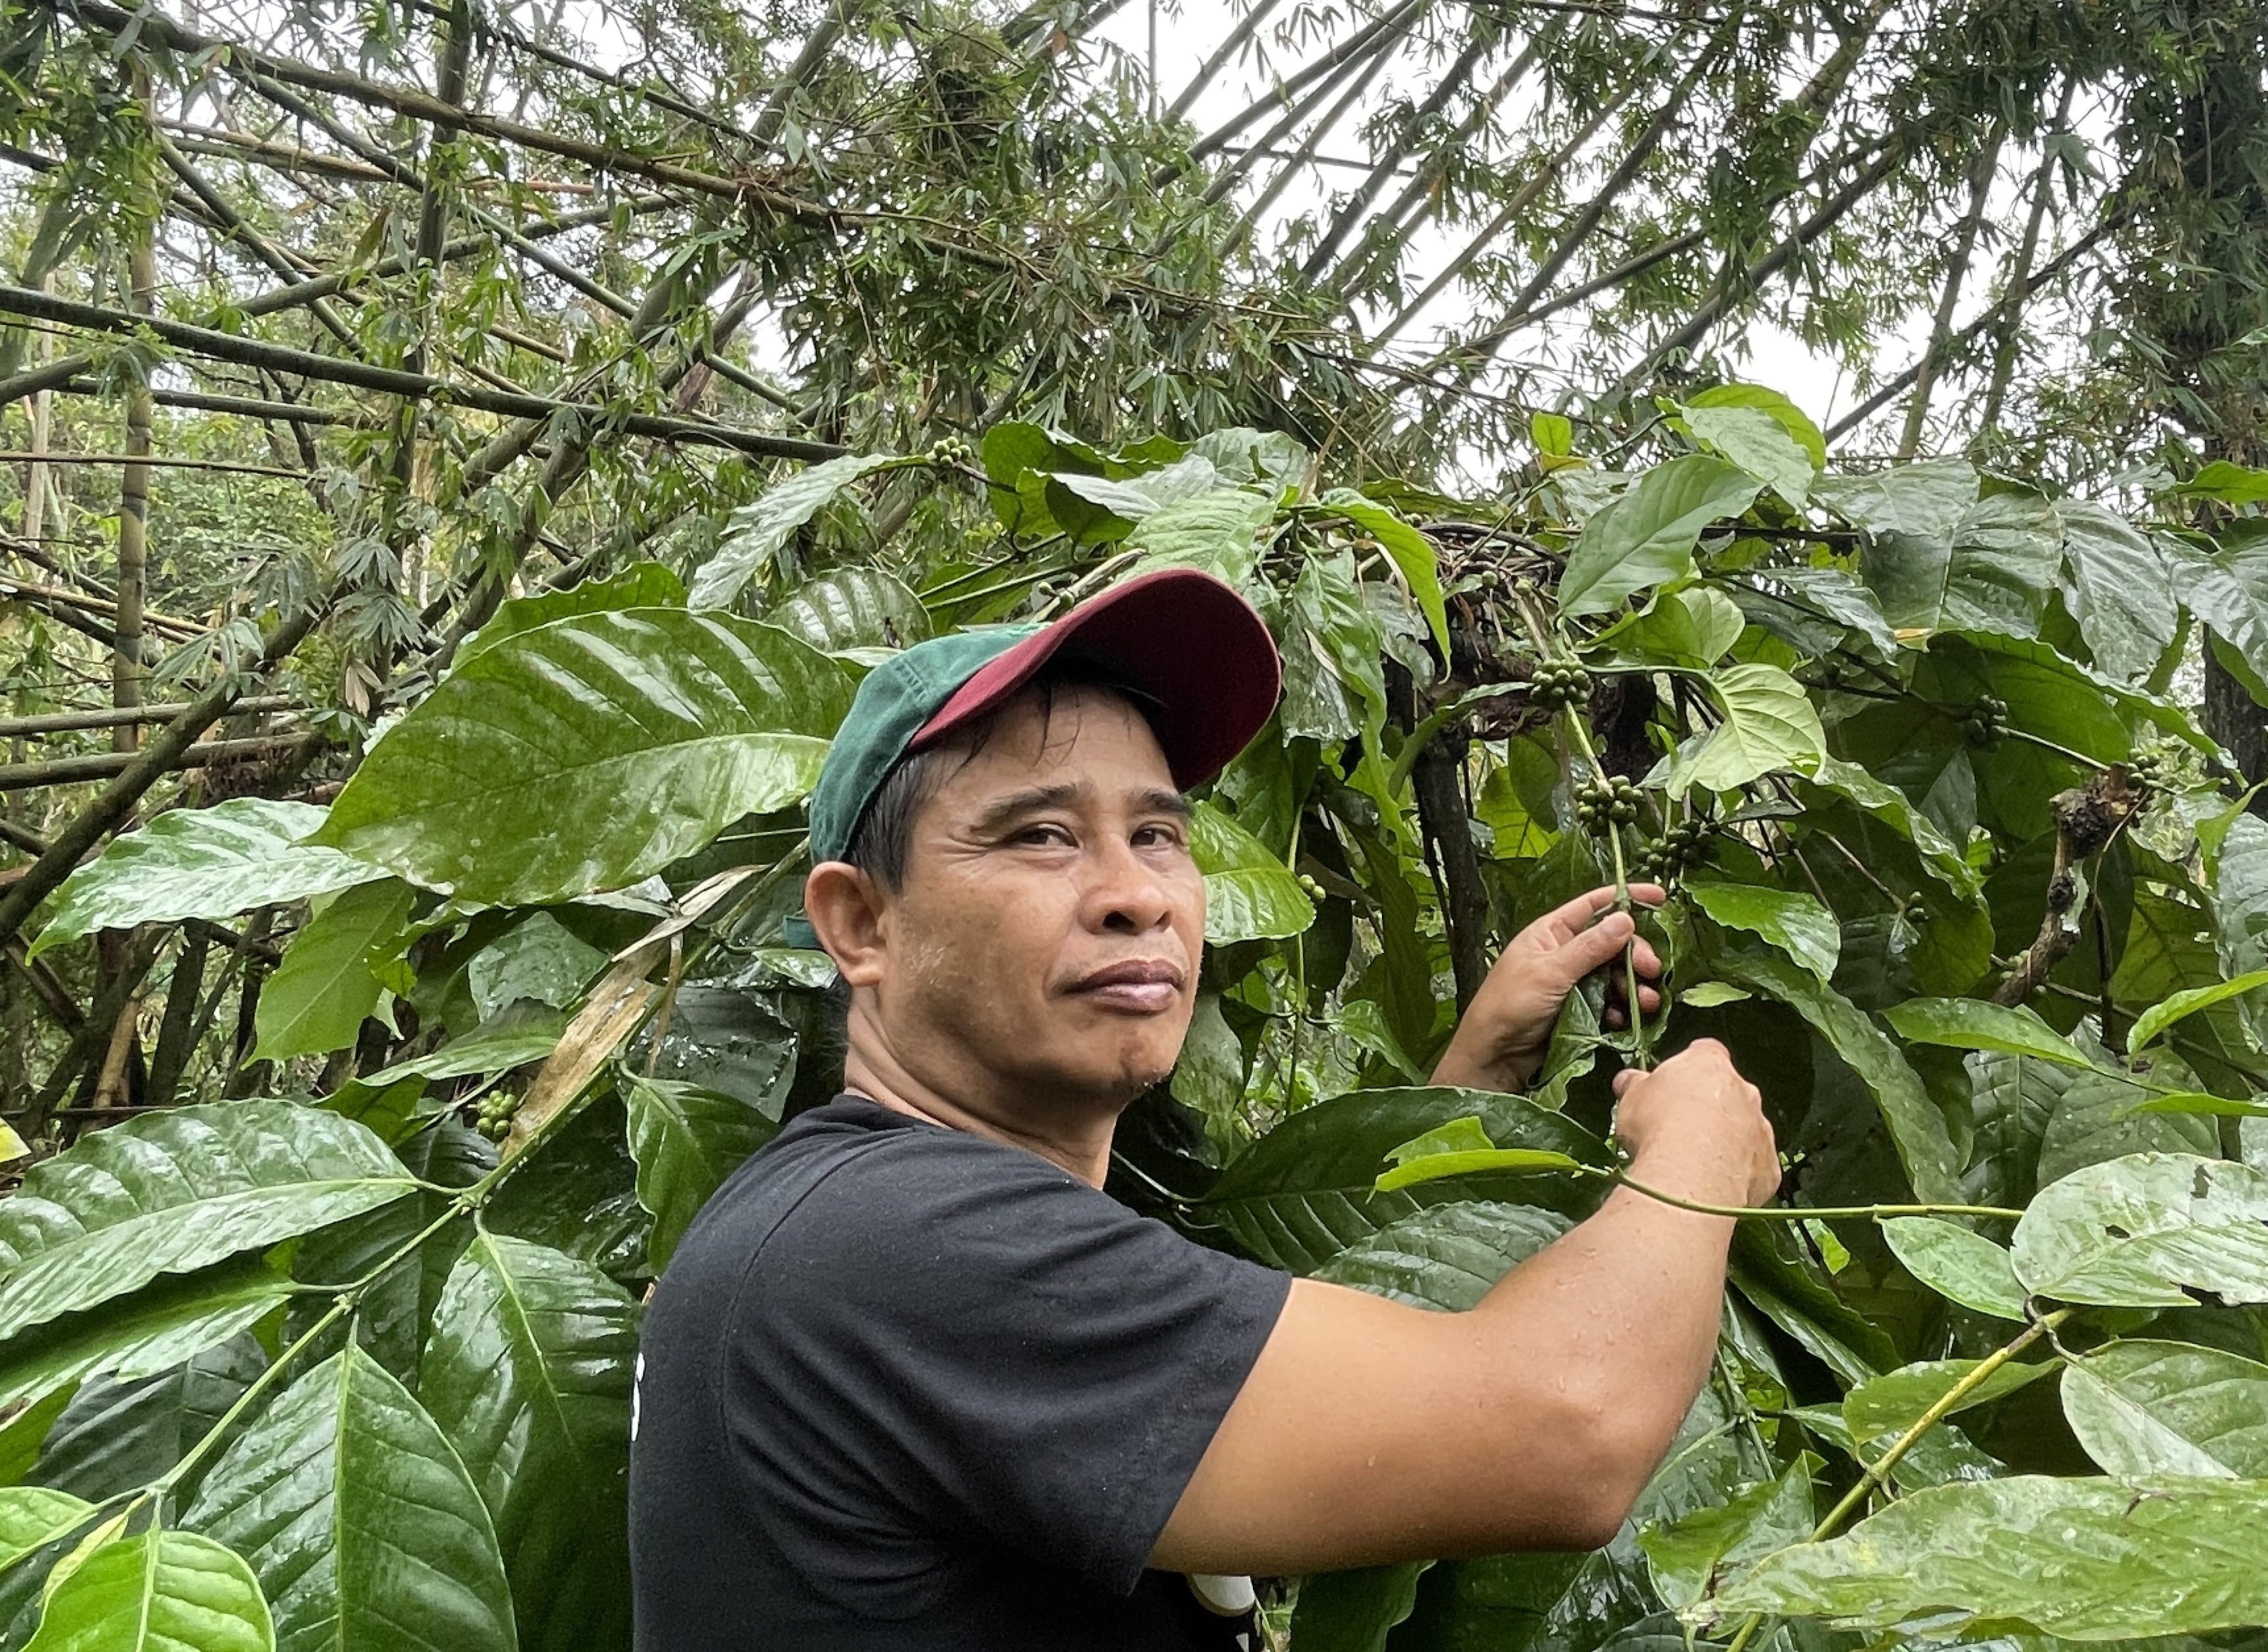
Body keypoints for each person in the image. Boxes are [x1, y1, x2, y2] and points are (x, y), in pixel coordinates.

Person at [629, 567, 1780, 1651]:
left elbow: (1290, 1416)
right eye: (1040, 835)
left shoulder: (879, 1223)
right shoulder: (896, 1251)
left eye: (1157, 834)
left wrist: (1479, 1071)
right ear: (860, 924)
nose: (1136, 894)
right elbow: (1569, 1427)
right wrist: (1696, 1152)